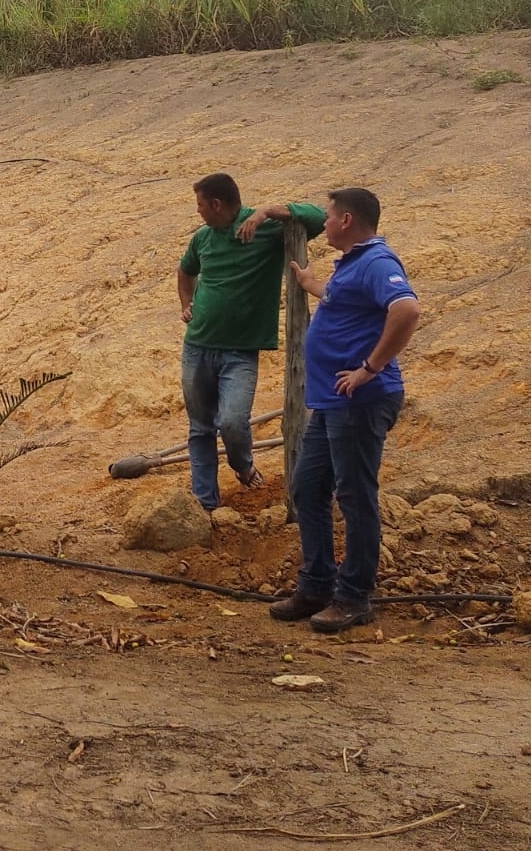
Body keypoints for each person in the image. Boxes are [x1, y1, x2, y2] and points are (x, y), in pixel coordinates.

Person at [269, 187, 420, 634]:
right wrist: (311, 284)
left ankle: (354, 596)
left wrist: (369, 368)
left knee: (355, 497)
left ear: (347, 220)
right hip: (334, 403)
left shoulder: (377, 261)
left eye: (329, 216)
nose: (325, 223)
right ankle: (317, 583)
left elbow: (407, 310)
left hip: (360, 402)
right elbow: (342, 301)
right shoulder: (353, 264)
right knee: (309, 487)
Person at [177, 174, 327, 511]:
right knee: (200, 428)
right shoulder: (202, 238)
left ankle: (242, 464)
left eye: (200, 205)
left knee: (232, 420)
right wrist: (185, 303)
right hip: (197, 345)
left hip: (239, 351)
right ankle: (206, 503)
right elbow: (185, 271)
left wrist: (264, 213)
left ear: (216, 204)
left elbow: (318, 218)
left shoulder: (263, 231)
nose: (198, 212)